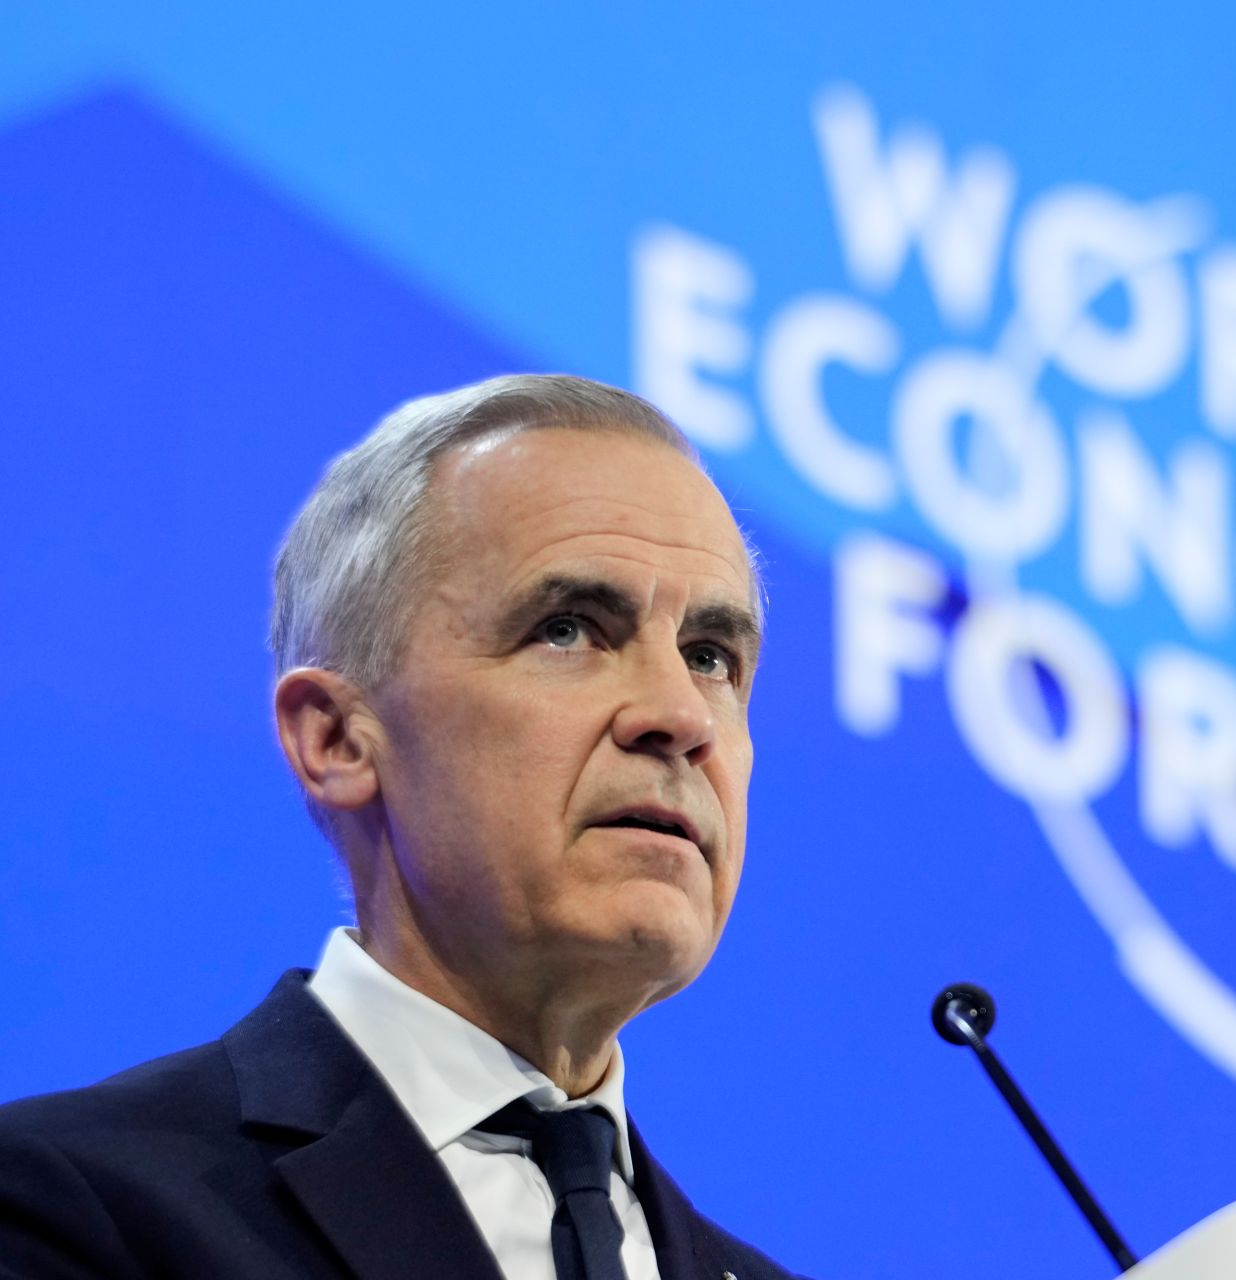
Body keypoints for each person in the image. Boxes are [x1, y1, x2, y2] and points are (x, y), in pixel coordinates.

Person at [0, 375, 807, 1280]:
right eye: (570, 629)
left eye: (710, 657)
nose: (680, 715)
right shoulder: (77, 1211)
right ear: (337, 738)